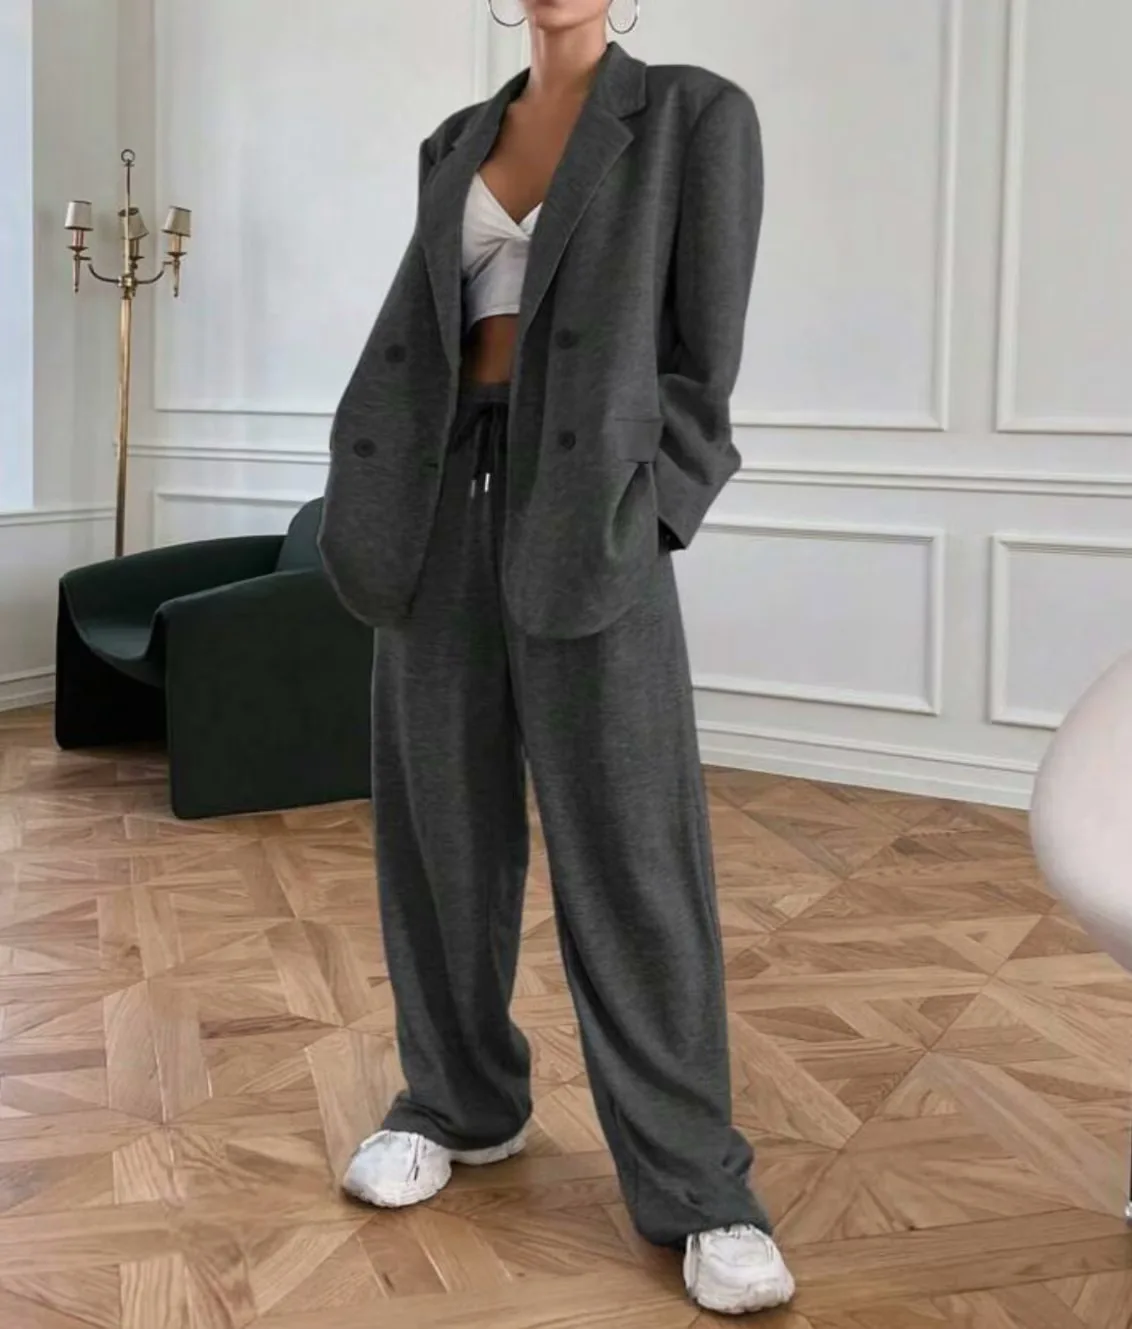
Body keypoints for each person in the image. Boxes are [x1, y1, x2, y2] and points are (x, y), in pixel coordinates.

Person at [317, 0, 794, 1315]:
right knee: (439, 832)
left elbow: (703, 358)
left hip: (587, 510)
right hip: (435, 496)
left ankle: (699, 1183)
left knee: (634, 848)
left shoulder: (692, 114)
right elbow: (430, 329)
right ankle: (457, 1104)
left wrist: (658, 510)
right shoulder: (455, 138)